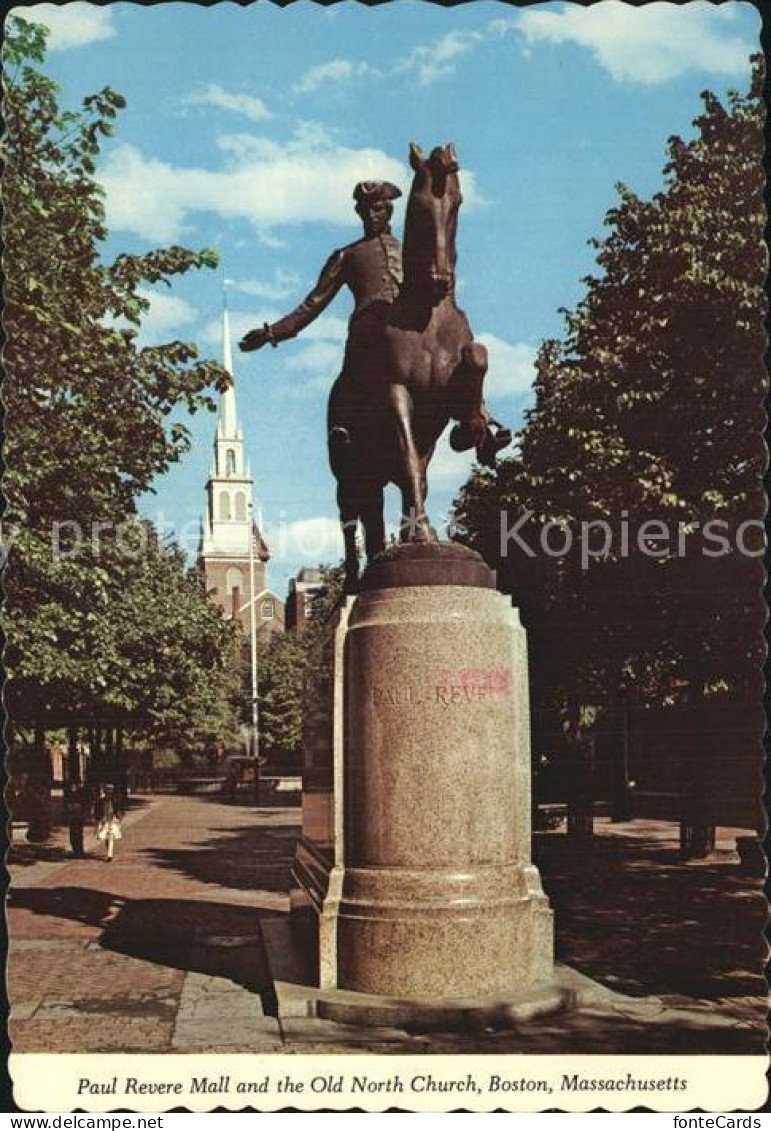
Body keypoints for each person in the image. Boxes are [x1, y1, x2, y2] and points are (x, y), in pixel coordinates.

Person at [238, 180, 507, 461]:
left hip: (407, 327)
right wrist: (271, 333)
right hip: (369, 326)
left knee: (451, 343)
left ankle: (478, 420)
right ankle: (344, 422)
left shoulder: (410, 253)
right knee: (360, 346)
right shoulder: (346, 256)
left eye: (377, 209)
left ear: (389, 211)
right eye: (365, 210)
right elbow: (312, 304)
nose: (371, 215)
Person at [94, 783, 122, 862]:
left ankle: (110, 854)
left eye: (110, 792)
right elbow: (97, 811)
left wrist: (119, 818)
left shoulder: (115, 801)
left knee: (111, 837)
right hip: (104, 821)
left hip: (112, 820)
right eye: (107, 792)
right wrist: (98, 820)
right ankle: (109, 852)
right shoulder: (100, 801)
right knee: (105, 837)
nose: (109, 794)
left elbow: (118, 810)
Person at [64, 781, 87, 858]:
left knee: (79, 833)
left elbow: (84, 803)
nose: (73, 787)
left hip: (79, 816)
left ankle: (80, 851)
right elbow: (65, 803)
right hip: (71, 816)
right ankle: (75, 850)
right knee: (72, 833)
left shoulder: (81, 792)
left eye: (74, 785)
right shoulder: (67, 792)